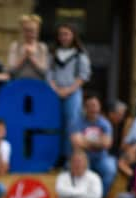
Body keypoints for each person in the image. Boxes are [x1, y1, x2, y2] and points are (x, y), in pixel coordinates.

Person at [48, 24, 91, 161]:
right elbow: (49, 73)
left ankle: (68, 158)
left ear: (73, 35)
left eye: (66, 34)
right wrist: (56, 88)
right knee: (54, 123)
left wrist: (68, 90)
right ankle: (55, 156)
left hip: (72, 92)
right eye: (61, 34)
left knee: (71, 124)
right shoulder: (54, 53)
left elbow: (83, 75)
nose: (64, 37)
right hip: (55, 92)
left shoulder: (80, 54)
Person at [70, 94, 117, 197]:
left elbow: (107, 143)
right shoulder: (77, 122)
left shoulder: (105, 124)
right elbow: (76, 143)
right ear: (85, 108)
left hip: (101, 158)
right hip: (83, 157)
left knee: (110, 170)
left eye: (95, 106)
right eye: (90, 106)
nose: (93, 109)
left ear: (99, 107)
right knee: (72, 169)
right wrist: (98, 143)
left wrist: (85, 141)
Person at [7, 14, 48, 80]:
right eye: (26, 30)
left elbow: (44, 72)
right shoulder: (15, 46)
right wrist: (24, 56)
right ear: (22, 31)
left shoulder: (42, 47)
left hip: (36, 84)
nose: (29, 34)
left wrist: (31, 58)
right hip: (18, 83)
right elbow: (11, 71)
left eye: (32, 31)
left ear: (37, 31)